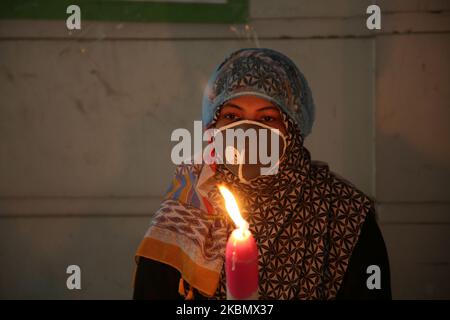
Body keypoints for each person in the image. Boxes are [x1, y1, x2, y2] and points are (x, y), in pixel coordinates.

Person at [133, 48, 391, 300]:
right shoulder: (185, 209)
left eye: (267, 119)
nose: (246, 132)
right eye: (232, 116)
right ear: (213, 125)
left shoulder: (343, 214)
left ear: (293, 128)